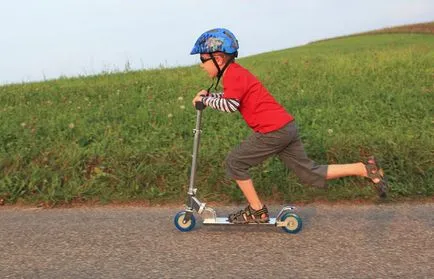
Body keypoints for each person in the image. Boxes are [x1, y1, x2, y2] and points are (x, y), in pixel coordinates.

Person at [190, 28, 388, 224]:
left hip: (273, 131)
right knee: (310, 172)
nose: (201, 65)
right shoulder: (236, 73)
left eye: (202, 59)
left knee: (235, 162)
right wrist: (209, 96)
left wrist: (206, 101)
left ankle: (257, 211)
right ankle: (364, 169)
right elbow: (231, 98)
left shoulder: (233, 74)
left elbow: (230, 105)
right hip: (285, 127)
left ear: (219, 57)